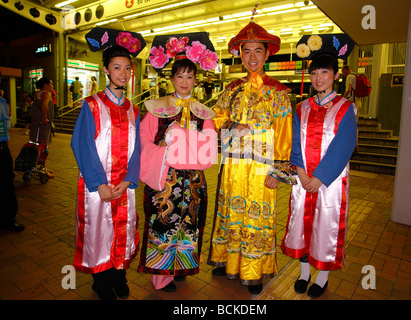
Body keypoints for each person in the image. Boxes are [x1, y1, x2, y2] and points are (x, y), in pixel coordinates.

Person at [207, 21, 295, 295]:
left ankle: (253, 270)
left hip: (261, 167)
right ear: (240, 55)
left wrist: (278, 172)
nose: (253, 57)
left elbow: (284, 134)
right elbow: (215, 118)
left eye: (258, 51)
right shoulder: (231, 89)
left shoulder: (278, 93)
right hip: (233, 166)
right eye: (247, 52)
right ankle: (226, 260)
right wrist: (231, 125)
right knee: (230, 211)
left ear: (268, 55)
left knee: (257, 217)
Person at [137, 32, 218, 293]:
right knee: (163, 223)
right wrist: (165, 149)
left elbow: (209, 148)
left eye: (190, 76)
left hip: (193, 181)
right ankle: (161, 274)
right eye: (180, 76)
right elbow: (144, 142)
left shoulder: (204, 112)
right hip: (166, 180)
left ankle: (181, 266)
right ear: (172, 79)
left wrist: (184, 143)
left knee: (189, 225)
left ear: (196, 79)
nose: (185, 82)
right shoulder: (156, 108)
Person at [71, 27, 146, 300]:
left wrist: (128, 180)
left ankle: (119, 274)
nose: (123, 74)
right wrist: (99, 184)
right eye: (117, 68)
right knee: (99, 232)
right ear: (106, 70)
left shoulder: (134, 110)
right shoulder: (91, 105)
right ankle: (101, 281)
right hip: (98, 186)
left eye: (127, 69)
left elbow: (138, 150)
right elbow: (82, 146)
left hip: (125, 185)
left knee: (123, 231)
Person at [281, 34, 357, 299]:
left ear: (336, 75)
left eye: (324, 72)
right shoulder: (301, 107)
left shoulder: (346, 108)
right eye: (314, 73)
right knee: (300, 225)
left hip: (330, 182)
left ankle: (322, 275)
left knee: (326, 225)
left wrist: (321, 177)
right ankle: (303, 272)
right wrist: (302, 173)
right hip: (303, 180)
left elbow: (344, 147)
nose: (318, 78)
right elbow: (295, 145)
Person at [0, 65, 24, 232]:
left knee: (6, 187)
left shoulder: (1, 101)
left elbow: (4, 128)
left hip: (1, 149)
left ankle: (7, 220)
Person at [30, 77, 55, 178]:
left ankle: (37, 165)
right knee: (44, 146)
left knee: (37, 145)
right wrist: (45, 118)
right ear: (45, 84)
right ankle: (41, 167)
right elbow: (44, 105)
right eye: (51, 84)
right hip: (43, 125)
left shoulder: (37, 94)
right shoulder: (46, 94)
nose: (52, 86)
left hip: (36, 124)